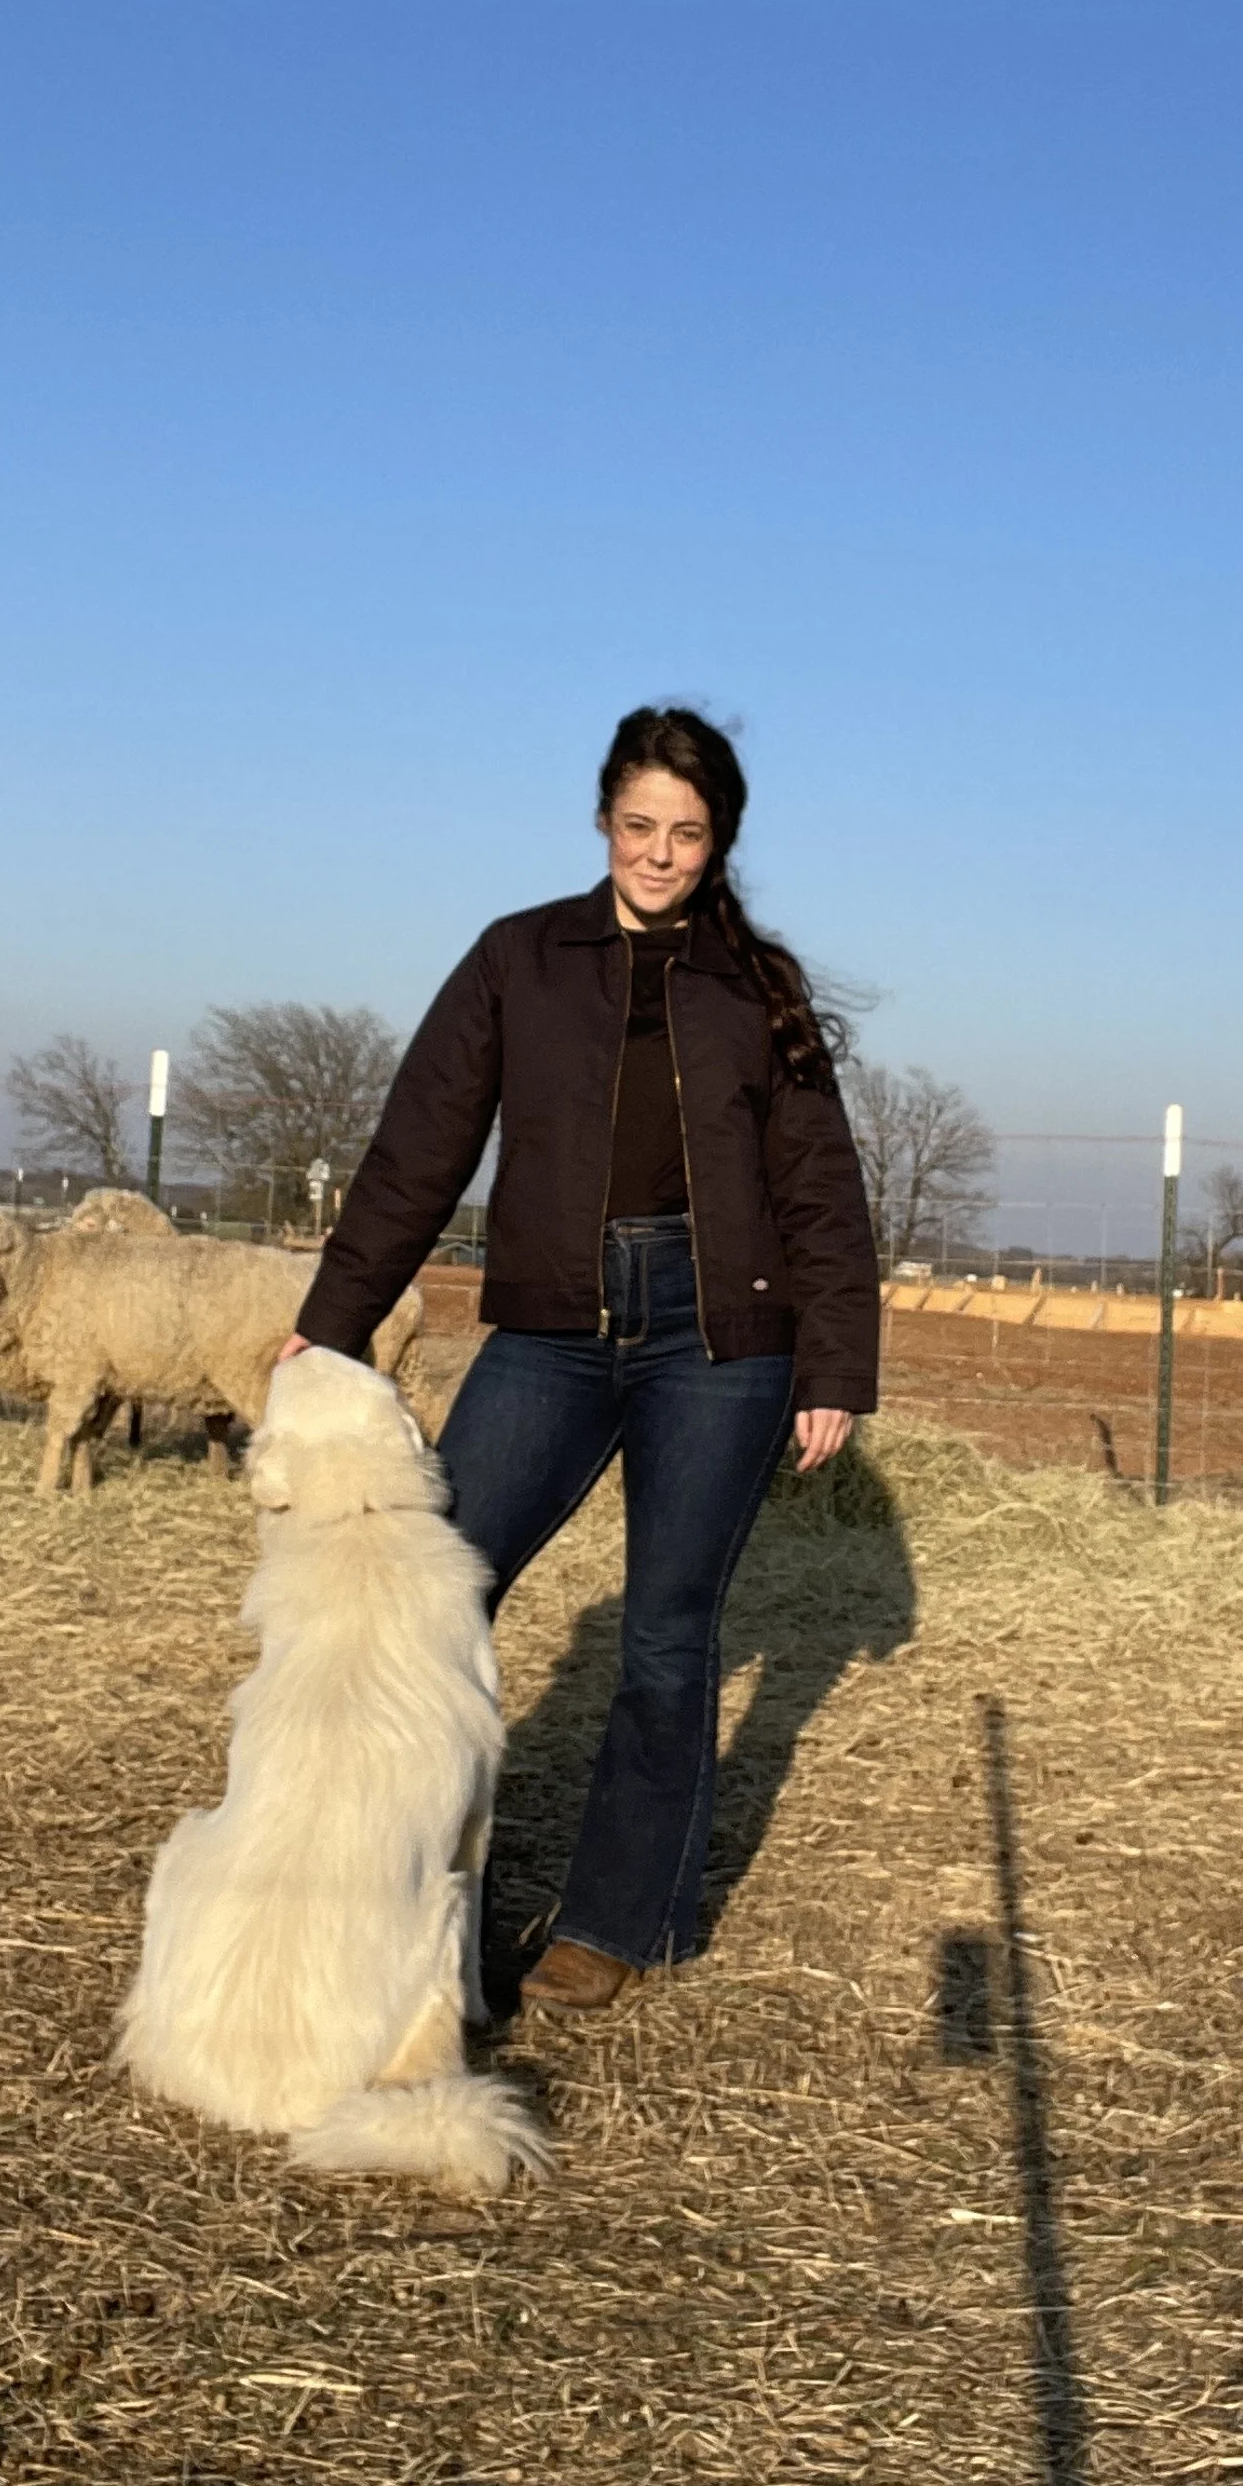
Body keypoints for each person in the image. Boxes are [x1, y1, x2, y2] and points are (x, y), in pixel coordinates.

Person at [281, 703, 881, 2012]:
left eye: (686, 833)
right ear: (603, 820)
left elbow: (821, 1185)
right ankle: (419, 1909)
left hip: (722, 1346)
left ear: (719, 842)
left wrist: (833, 1363)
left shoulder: (759, 988)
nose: (658, 854)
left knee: (668, 1637)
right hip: (553, 1328)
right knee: (431, 1602)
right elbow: (422, 1141)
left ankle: (618, 1921)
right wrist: (333, 1318)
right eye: (637, 826)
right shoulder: (519, 958)